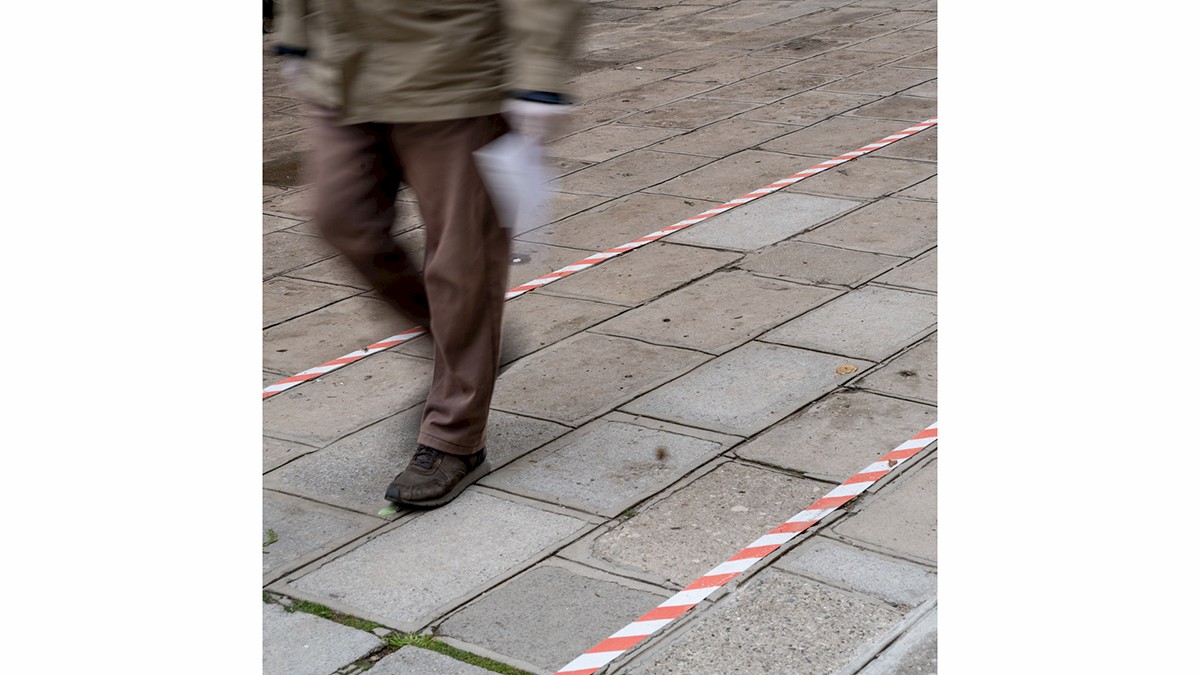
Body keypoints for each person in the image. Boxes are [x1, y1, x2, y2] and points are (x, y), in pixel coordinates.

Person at [273, 0, 584, 507]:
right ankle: (464, 343)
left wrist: (541, 74)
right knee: (342, 221)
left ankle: (453, 440)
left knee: (463, 264)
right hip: (343, 69)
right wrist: (295, 31)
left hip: (456, 74)